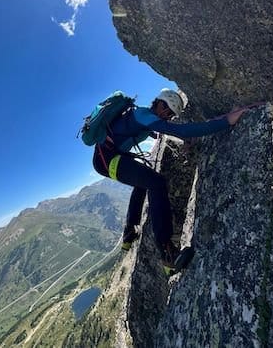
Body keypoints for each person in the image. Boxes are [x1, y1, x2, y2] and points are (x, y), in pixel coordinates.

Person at [92, 88, 246, 275]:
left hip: (108, 158)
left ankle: (129, 232)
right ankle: (167, 253)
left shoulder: (142, 115)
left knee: (144, 181)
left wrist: (183, 140)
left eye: (170, 113)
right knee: (156, 183)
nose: (166, 114)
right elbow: (180, 129)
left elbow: (166, 130)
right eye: (165, 108)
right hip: (107, 160)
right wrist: (227, 121)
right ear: (158, 102)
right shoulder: (143, 115)